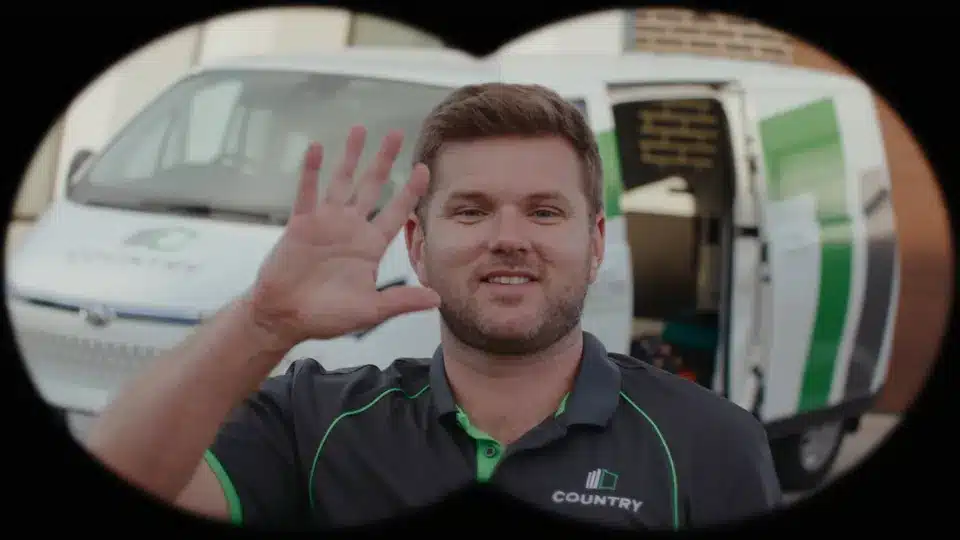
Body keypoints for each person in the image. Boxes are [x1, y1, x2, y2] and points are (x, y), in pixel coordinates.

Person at [83, 83, 782, 531]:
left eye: (544, 211)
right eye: (471, 210)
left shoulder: (709, 442)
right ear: (418, 245)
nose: (509, 238)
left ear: (595, 244)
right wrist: (263, 322)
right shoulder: (315, 425)